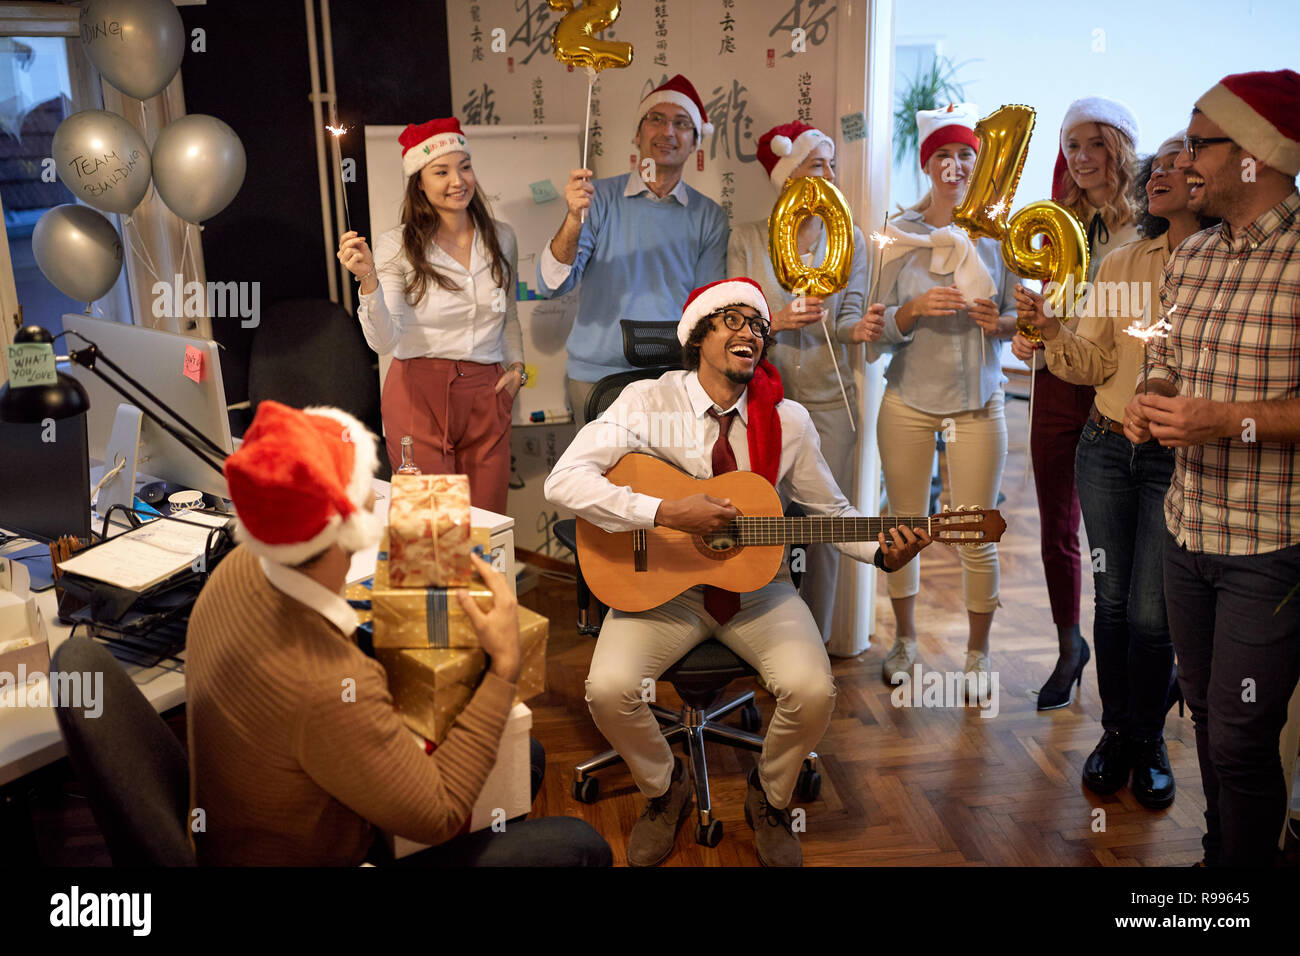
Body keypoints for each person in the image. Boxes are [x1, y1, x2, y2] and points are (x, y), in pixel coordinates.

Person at [545, 278, 932, 867]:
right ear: (699, 334)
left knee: (812, 689)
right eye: (732, 320)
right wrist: (667, 511)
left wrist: (883, 552)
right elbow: (563, 483)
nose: (749, 332)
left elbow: (831, 515)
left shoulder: (789, 420)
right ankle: (663, 787)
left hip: (757, 590)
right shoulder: (647, 403)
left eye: (758, 326)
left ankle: (770, 797)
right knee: (608, 690)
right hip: (663, 588)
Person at [187, 399, 611, 867]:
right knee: (581, 847)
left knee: (522, 755)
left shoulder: (237, 568)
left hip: (267, 823)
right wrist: (504, 665)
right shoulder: (325, 683)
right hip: (331, 849)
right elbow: (439, 814)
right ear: (346, 529)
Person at [1123, 70, 1300, 866]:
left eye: (1201, 143)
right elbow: (1166, 356)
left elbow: (1232, 411)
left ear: (1257, 155)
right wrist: (1150, 396)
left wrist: (1228, 421)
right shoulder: (1192, 255)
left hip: (1271, 546)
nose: (1185, 158)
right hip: (1187, 532)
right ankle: (1219, 860)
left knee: (1239, 736)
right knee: (1201, 715)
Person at [1016, 132, 1217, 808]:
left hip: (1176, 457)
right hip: (1104, 449)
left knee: (1154, 614)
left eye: (1175, 165)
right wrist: (1048, 332)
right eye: (1155, 166)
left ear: (1205, 181)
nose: (1159, 174)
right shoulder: (1122, 264)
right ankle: (1116, 735)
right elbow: (1094, 362)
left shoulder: (1229, 269)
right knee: (1113, 601)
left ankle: (1147, 737)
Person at [864, 104, 1018, 687]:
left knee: (975, 531)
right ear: (928, 165)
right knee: (904, 528)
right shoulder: (899, 235)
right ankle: (904, 641)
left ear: (977, 165)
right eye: (944, 156)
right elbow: (875, 334)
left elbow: (1016, 321)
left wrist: (997, 323)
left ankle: (978, 655)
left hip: (979, 403)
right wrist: (913, 309)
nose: (954, 166)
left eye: (965, 156)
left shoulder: (997, 235)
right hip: (908, 401)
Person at [727, 121, 882, 646]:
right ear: (789, 175)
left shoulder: (851, 239)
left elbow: (849, 313)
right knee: (766, 527)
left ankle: (813, 646)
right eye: (818, 165)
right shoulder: (748, 238)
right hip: (762, 406)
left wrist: (856, 327)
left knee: (824, 531)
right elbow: (730, 322)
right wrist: (777, 318)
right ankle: (763, 643)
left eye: (833, 165)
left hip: (830, 405)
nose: (831, 176)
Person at [1012, 97, 1141, 708]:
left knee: (1116, 536)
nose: (1082, 158)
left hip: (1118, 390)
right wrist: (1029, 331)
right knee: (1058, 527)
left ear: (1119, 148)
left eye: (1094, 144)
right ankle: (1070, 646)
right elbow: (1050, 307)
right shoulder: (1053, 223)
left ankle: (1133, 662)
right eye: (1071, 147)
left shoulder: (1148, 225)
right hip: (1057, 382)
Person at [339, 117, 523, 514]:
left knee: (486, 525)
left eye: (465, 167)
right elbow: (384, 341)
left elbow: (507, 313)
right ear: (419, 182)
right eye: (441, 171)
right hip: (417, 395)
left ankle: (483, 579)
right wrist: (368, 278)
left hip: (487, 393)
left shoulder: (502, 236)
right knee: (434, 534)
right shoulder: (396, 245)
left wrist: (518, 371)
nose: (458, 180)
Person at [536, 74, 730, 418]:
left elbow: (706, 306)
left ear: (695, 141)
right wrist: (571, 218)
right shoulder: (597, 199)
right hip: (597, 378)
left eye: (681, 123)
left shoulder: (709, 216)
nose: (667, 131)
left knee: (670, 475)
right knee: (596, 473)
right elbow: (552, 283)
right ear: (637, 134)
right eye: (656, 119)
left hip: (674, 380)